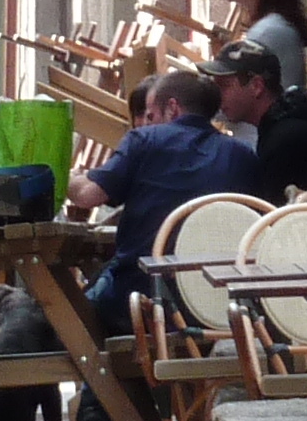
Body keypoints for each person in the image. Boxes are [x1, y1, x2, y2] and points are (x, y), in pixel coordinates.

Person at [69, 66, 262, 329]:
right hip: (220, 306)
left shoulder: (146, 140)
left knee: (64, 319)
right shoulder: (243, 156)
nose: (147, 123)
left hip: (146, 301)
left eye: (150, 115)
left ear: (172, 108)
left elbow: (86, 197)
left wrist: (65, 177)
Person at [213, 42, 307, 202]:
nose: (218, 96)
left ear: (257, 86)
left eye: (224, 86)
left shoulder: (285, 140)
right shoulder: (286, 126)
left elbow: (281, 221)